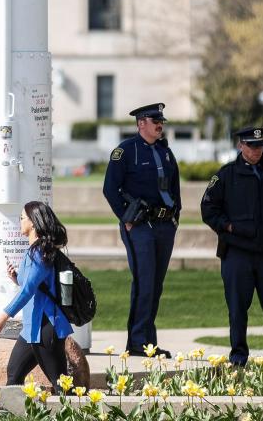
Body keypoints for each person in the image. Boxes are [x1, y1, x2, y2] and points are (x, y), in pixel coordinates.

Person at [201, 126, 263, 366]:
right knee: (237, 309)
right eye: (252, 146)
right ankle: (238, 357)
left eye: (260, 146)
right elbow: (208, 208)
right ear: (241, 146)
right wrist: (228, 227)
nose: (257, 150)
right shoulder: (226, 175)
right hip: (237, 254)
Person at [102, 103, 180, 357]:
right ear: (141, 123)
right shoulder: (125, 151)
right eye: (155, 121)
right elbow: (110, 189)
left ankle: (149, 343)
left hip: (163, 226)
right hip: (139, 226)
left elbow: (173, 186)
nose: (160, 125)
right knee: (144, 284)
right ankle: (136, 343)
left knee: (156, 286)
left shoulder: (164, 151)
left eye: (161, 122)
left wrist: (175, 215)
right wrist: (125, 217)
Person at [0, 201, 73, 391]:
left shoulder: (40, 252)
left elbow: (29, 291)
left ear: (33, 222)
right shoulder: (32, 251)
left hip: (46, 326)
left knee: (61, 385)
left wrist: (4, 315)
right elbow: (32, 285)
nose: (19, 221)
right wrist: (16, 278)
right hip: (31, 329)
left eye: (22, 218)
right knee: (14, 374)